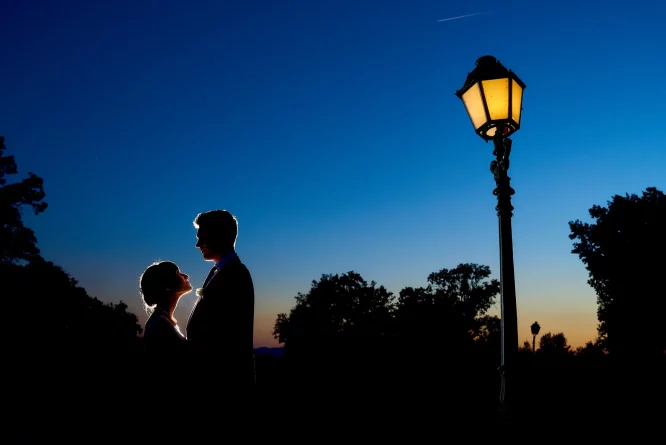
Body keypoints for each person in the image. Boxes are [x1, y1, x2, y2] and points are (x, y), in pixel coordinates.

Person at [186, 209, 255, 391]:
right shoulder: (219, 271)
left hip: (224, 383)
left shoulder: (236, 274)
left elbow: (230, 336)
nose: (198, 244)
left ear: (219, 235)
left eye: (202, 237)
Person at [139, 261, 191, 356]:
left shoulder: (163, 319)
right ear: (169, 284)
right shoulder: (160, 324)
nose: (186, 276)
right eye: (178, 273)